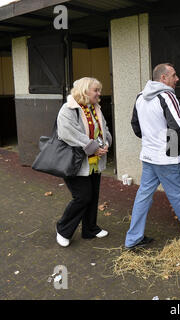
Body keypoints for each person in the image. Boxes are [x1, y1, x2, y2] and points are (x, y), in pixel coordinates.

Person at [125, 63, 180, 249]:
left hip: (148, 156)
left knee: (143, 196)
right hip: (166, 158)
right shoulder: (167, 96)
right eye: (174, 75)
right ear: (163, 78)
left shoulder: (140, 97)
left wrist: (152, 141)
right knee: (177, 193)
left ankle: (133, 238)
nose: (177, 78)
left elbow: (136, 126)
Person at [55, 77, 113, 247]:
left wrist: (106, 143)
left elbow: (105, 129)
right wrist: (93, 147)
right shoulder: (68, 109)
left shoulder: (95, 108)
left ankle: (90, 229)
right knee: (83, 196)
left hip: (93, 162)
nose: (99, 93)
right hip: (75, 162)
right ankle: (63, 229)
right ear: (84, 91)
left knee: (93, 195)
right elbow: (68, 134)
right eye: (96, 90)